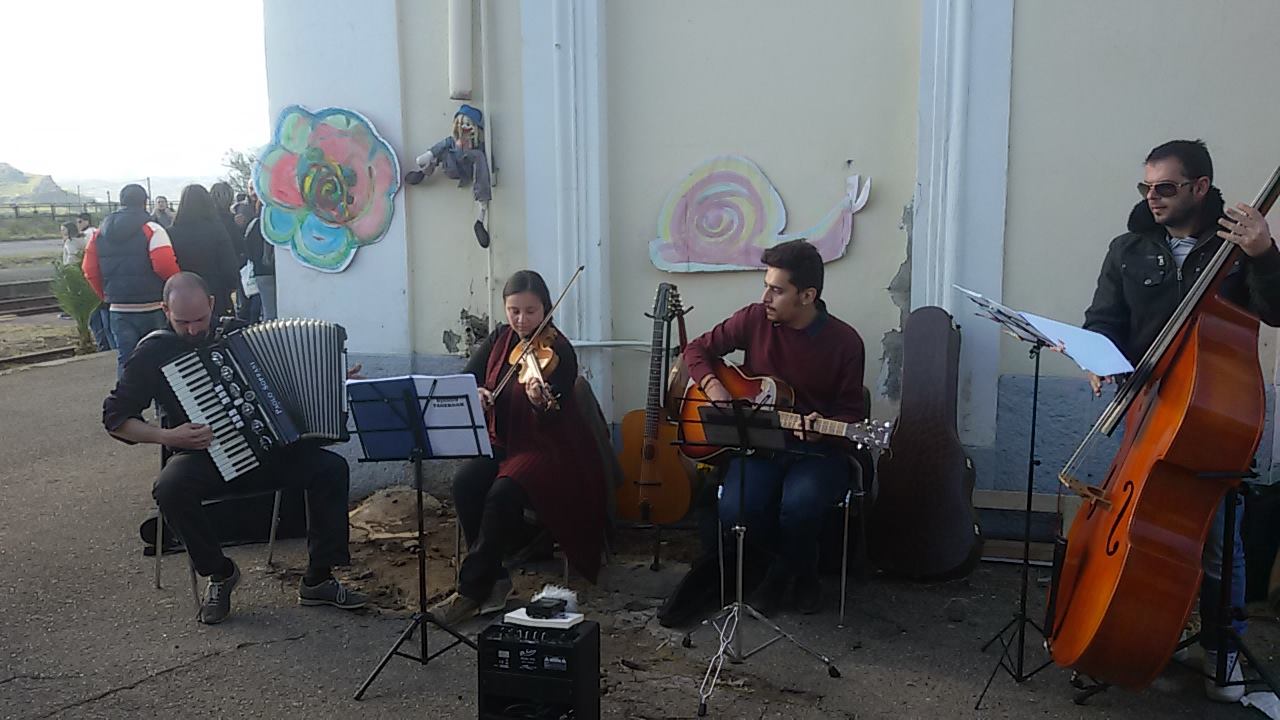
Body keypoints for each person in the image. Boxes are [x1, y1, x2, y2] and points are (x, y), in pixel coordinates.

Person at [1082, 139, 1280, 702]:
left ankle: (1221, 653)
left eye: (1165, 188)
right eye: (1146, 187)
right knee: (1136, 532)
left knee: (1216, 540)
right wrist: (1097, 357)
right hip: (1145, 413)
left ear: (1199, 187)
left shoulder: (1237, 247)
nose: (1153, 197)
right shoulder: (1127, 248)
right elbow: (1104, 320)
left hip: (1212, 415)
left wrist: (1266, 253)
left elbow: (1276, 311)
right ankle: (1130, 634)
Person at [102, 271, 368, 624]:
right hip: (205, 456)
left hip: (268, 453)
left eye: (200, 319)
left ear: (212, 304)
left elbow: (283, 387)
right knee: (170, 488)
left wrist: (332, 381)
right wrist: (170, 436)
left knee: (331, 469)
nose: (193, 330)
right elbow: (116, 419)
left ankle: (318, 579)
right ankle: (220, 572)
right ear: (165, 310)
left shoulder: (240, 334)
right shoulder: (153, 352)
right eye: (183, 322)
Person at [683, 239, 867, 616]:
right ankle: (768, 573)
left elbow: (851, 413)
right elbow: (696, 350)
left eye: (777, 290)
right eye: (765, 286)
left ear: (807, 296)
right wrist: (713, 386)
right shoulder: (754, 319)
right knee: (736, 509)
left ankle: (799, 576)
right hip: (759, 445)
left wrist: (824, 429)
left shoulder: (846, 343)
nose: (765, 297)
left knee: (799, 506)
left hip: (817, 453)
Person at [430, 270, 606, 625]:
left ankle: (471, 590)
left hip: (547, 448)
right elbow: (466, 379)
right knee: (465, 483)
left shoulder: (559, 351)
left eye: (530, 311)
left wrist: (540, 403)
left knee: (502, 493)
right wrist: (478, 392)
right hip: (504, 441)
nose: (522, 320)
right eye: (514, 311)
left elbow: (555, 416)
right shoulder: (500, 338)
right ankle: (495, 579)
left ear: (545, 309)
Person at [82, 184, 180, 376]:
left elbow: (89, 270)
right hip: (153, 307)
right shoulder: (153, 230)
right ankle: (159, 396)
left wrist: (107, 295)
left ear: (121, 202)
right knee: (160, 359)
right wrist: (174, 293)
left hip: (119, 309)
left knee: (127, 361)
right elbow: (164, 265)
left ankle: (127, 395)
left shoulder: (98, 234)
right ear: (145, 203)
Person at [167, 184, 241, 319]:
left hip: (181, 291)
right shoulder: (217, 230)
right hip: (214, 290)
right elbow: (228, 262)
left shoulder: (170, 233)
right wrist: (231, 285)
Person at [77, 212, 113, 351]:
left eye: (80, 221)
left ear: (87, 221)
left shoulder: (91, 235)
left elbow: (89, 268)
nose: (78, 225)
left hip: (98, 287)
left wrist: (99, 292)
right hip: (107, 286)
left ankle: (104, 346)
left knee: (99, 320)